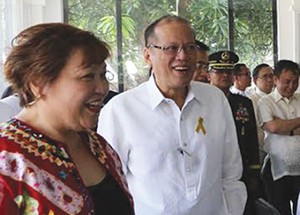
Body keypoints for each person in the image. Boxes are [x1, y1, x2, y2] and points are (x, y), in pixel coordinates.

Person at [98, 15, 246, 215]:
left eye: (190, 47)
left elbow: (231, 173)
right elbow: (113, 187)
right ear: (148, 55)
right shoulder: (120, 110)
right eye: (171, 48)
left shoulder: (215, 100)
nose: (183, 56)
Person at [0, 23, 133, 215]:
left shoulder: (98, 146)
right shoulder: (6, 158)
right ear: (38, 83)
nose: (102, 88)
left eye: (102, 75)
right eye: (88, 76)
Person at [208, 50, 261, 215]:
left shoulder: (243, 103)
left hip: (241, 169)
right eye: (219, 71)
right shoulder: (201, 102)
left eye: (229, 71)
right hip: (212, 168)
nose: (225, 75)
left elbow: (252, 138)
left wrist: (254, 170)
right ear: (209, 74)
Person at [257, 59, 300, 215]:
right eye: (287, 82)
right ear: (276, 80)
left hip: (299, 169)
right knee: (279, 211)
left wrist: (284, 125)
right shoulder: (265, 102)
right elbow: (273, 127)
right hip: (277, 169)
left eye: (295, 82)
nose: (291, 86)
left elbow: (279, 126)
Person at [248, 63, 274, 164]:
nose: (269, 80)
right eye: (265, 76)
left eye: (271, 76)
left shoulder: (277, 99)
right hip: (260, 152)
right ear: (255, 80)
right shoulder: (251, 101)